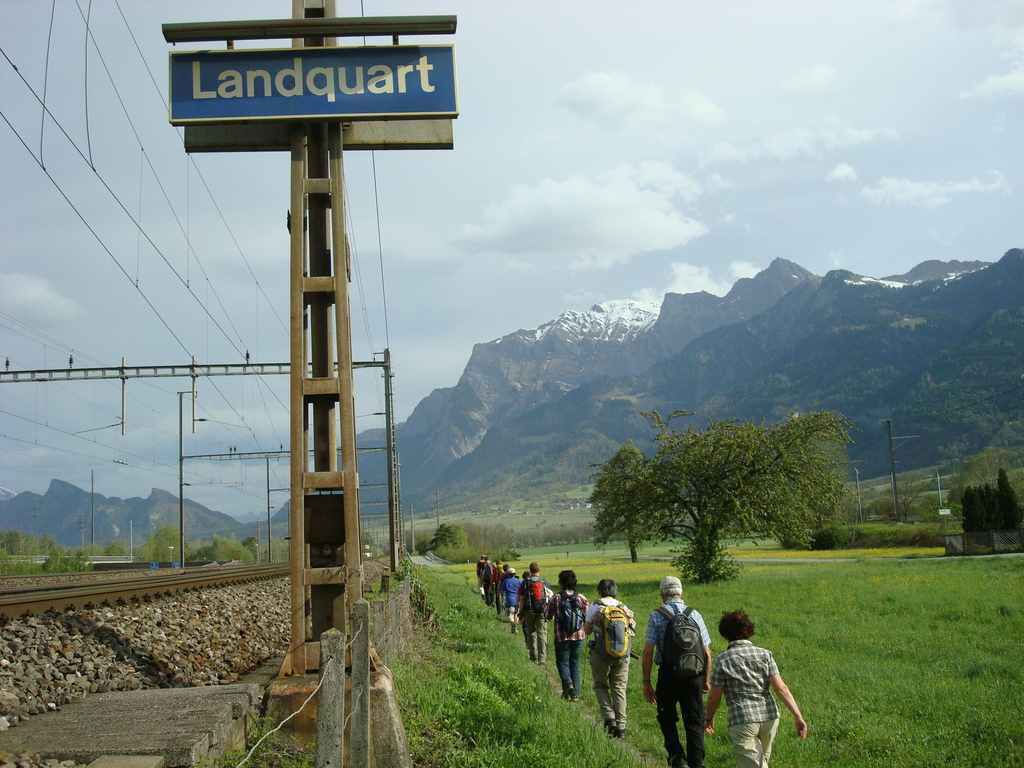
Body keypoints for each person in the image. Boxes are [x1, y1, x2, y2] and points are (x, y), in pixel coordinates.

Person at [704, 610, 807, 768]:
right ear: (747, 630)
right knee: (761, 763)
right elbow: (781, 688)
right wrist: (797, 715)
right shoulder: (765, 655)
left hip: (742, 720)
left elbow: (714, 698)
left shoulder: (722, 660)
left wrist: (708, 719)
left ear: (725, 635)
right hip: (770, 717)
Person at [642, 576, 712, 768]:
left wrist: (646, 682)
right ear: (681, 593)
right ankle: (697, 763)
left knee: (667, 717)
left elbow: (648, 652)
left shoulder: (657, 615)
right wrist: (705, 679)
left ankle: (677, 759)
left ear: (662, 594)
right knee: (695, 720)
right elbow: (706, 652)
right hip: (694, 675)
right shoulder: (694, 614)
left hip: (668, 675)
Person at [584, 578, 635, 738]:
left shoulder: (595, 606)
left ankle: (609, 718)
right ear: (614, 591)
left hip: (601, 652)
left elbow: (586, 631)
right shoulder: (623, 607)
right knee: (619, 688)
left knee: (600, 685)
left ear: (600, 591)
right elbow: (632, 629)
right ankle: (621, 726)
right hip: (622, 653)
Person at [545, 569, 589, 701]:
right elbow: (587, 617)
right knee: (574, 664)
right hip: (578, 635)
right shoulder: (581, 597)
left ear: (562, 583)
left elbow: (547, 615)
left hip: (561, 636)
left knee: (562, 662)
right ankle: (575, 694)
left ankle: (567, 684)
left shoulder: (556, 598)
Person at [518, 561, 552, 664]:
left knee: (531, 632)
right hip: (542, 611)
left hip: (529, 610)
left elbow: (522, 599)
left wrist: (521, 613)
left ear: (530, 570)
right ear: (539, 570)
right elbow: (549, 597)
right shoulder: (544, 582)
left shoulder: (526, 582)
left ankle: (533, 654)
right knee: (542, 634)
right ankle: (542, 659)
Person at [501, 566, 523, 634]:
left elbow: (501, 591)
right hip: (517, 599)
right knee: (516, 613)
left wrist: (501, 593)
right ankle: (515, 626)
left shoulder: (506, 581)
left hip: (509, 599)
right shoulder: (518, 581)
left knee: (510, 614)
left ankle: (512, 623)